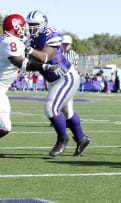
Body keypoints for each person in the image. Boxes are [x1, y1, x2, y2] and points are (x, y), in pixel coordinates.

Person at [25, 10, 91, 157]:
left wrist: (28, 49)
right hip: (55, 80)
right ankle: (81, 139)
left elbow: (45, 57)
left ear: (43, 25)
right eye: (29, 25)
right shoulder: (29, 39)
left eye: (34, 25)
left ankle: (62, 139)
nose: (31, 28)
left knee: (51, 108)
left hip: (66, 77)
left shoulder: (50, 33)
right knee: (68, 113)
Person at [0, 14, 66, 141]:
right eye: (23, 27)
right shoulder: (11, 42)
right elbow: (23, 64)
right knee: (4, 127)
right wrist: (45, 67)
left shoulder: (7, 40)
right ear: (16, 28)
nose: (25, 30)